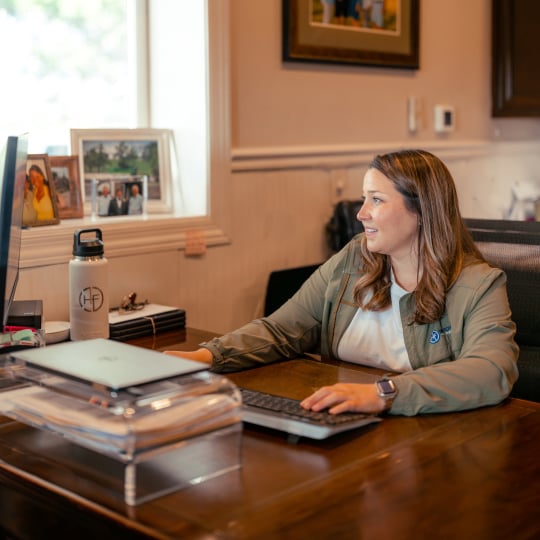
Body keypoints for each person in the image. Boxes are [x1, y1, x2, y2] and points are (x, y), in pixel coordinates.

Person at [165, 149, 519, 416]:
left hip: (431, 441)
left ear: (423, 211)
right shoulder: (354, 258)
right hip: (343, 422)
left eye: (377, 200)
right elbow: (282, 329)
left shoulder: (479, 284)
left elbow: (492, 371)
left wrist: (384, 393)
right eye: (364, 198)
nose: (361, 213)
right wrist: (207, 356)